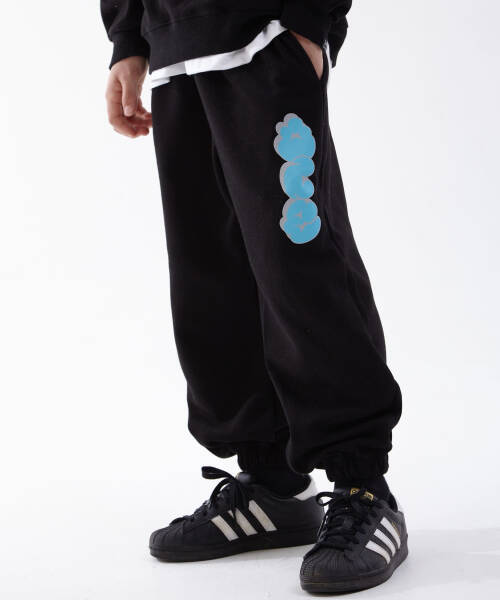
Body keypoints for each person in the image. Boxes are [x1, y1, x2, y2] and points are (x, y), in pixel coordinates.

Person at [101, 1, 408, 593]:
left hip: (264, 33)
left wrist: (309, 20)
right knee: (209, 277)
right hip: (173, 48)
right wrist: (129, 38)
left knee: (301, 264)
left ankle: (363, 485)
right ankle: (272, 485)